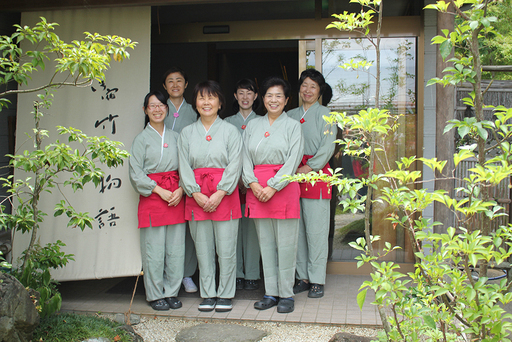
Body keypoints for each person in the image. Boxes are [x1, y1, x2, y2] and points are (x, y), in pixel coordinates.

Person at [178, 80, 242, 312]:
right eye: (201, 98)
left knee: (226, 249)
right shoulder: (186, 133)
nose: (206, 102)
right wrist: (195, 192)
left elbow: (235, 164)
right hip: (196, 195)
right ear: (195, 103)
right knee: (203, 249)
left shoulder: (230, 131)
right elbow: (183, 165)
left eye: (211, 97)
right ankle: (208, 293)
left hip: (224, 194)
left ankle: (225, 293)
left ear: (220, 102)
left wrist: (220, 192)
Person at [242, 76, 304, 314]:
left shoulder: (293, 126)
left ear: (287, 100)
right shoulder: (253, 126)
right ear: (263, 98)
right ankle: (270, 292)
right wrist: (253, 183)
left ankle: (286, 293)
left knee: (286, 245)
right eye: (269, 95)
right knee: (265, 244)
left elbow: (294, 160)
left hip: (283, 188)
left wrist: (273, 186)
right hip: (257, 189)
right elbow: (244, 158)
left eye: (279, 96)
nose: (273, 100)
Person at [129, 90, 185, 311]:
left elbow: (186, 167)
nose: (157, 109)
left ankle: (172, 291)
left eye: (161, 105)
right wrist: (159, 191)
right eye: (152, 106)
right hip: (154, 197)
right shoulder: (141, 140)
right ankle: (154, 294)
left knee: (176, 248)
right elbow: (135, 173)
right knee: (153, 249)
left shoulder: (176, 138)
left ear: (167, 109)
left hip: (176, 196)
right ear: (145, 110)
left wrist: (182, 189)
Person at [288, 69, 337, 299]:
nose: (308, 90)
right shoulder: (289, 114)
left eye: (313, 87)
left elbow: (328, 148)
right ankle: (303, 277)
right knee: (296, 229)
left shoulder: (327, 115)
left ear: (320, 91)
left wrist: (308, 168)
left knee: (316, 230)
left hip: (315, 173)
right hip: (292, 173)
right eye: (305, 85)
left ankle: (317, 279)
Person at [162, 66, 198, 293]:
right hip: (164, 179)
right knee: (166, 228)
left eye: (179, 80)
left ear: (186, 85)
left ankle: (187, 274)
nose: (175, 85)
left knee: (189, 228)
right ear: (165, 86)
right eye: (170, 81)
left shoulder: (195, 112)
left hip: (188, 177)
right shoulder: (158, 108)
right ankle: (167, 274)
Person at [224, 79, 261, 291]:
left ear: (256, 97)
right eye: (241, 93)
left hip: (255, 182)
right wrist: (235, 179)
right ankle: (236, 272)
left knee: (253, 229)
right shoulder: (226, 122)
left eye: (249, 93)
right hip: (230, 183)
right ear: (235, 96)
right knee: (232, 229)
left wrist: (250, 179)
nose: (245, 97)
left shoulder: (263, 121)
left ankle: (253, 274)